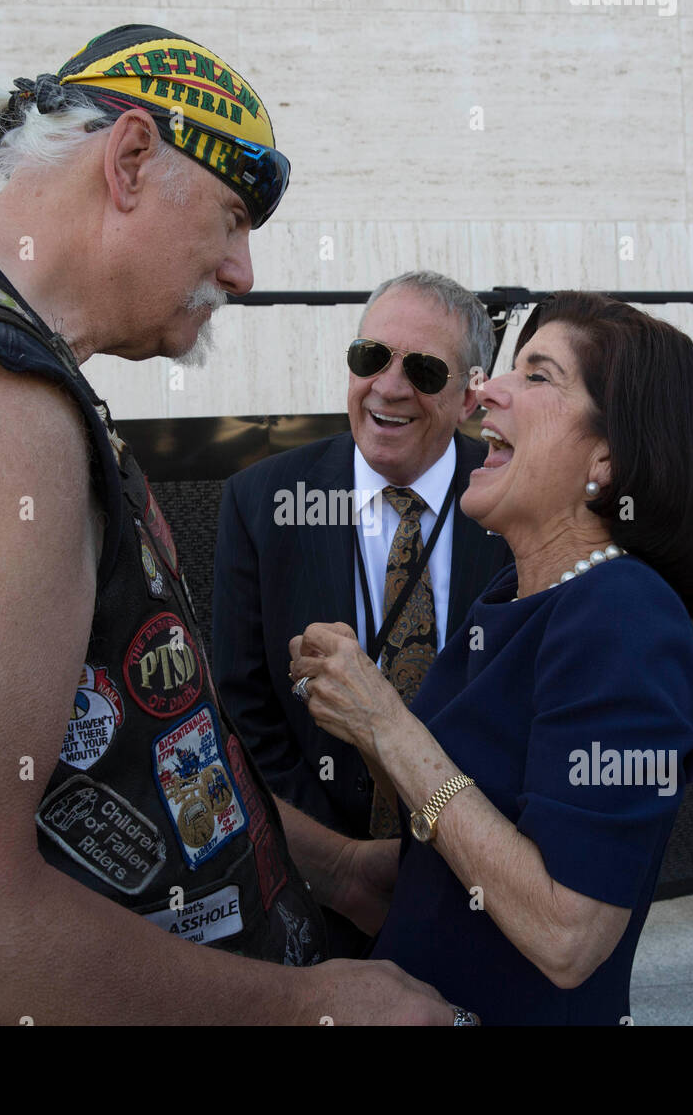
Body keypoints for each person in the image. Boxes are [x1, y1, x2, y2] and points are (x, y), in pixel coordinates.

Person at [0, 24, 458, 1026]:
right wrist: (306, 1004)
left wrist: (336, 865)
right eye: (233, 218)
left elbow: (105, 761)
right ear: (133, 159)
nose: (241, 271)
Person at [288, 292, 693, 1024]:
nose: (485, 389)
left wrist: (387, 728)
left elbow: (567, 933)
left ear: (607, 456)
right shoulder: (516, 591)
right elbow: (479, 826)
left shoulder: (624, 615)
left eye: (538, 376)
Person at [213, 272, 511, 955]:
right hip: (318, 894)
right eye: (370, 357)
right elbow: (244, 709)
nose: (389, 387)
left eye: (425, 370)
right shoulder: (261, 501)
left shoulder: (514, 504)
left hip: (480, 884)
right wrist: (335, 861)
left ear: (469, 396)